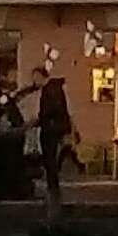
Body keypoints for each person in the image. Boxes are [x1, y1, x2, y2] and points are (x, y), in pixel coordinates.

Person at [34, 68, 76, 208]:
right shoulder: (55, 89)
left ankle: (53, 186)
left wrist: (40, 119)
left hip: (51, 128)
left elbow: (51, 110)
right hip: (56, 127)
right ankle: (53, 184)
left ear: (41, 76)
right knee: (52, 156)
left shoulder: (50, 91)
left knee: (49, 156)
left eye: (35, 77)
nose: (34, 81)